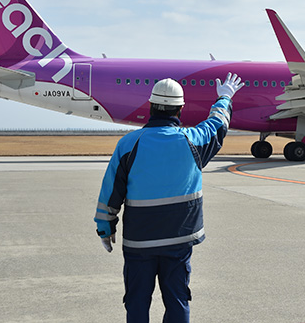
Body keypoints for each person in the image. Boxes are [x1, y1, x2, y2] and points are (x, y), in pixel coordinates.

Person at [94, 73, 244, 323]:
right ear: (180, 109)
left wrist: (105, 228)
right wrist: (224, 97)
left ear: (150, 106)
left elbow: (111, 192)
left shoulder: (129, 144)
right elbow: (218, 124)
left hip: (139, 242)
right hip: (179, 239)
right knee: (177, 300)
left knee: (137, 301)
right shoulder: (192, 140)